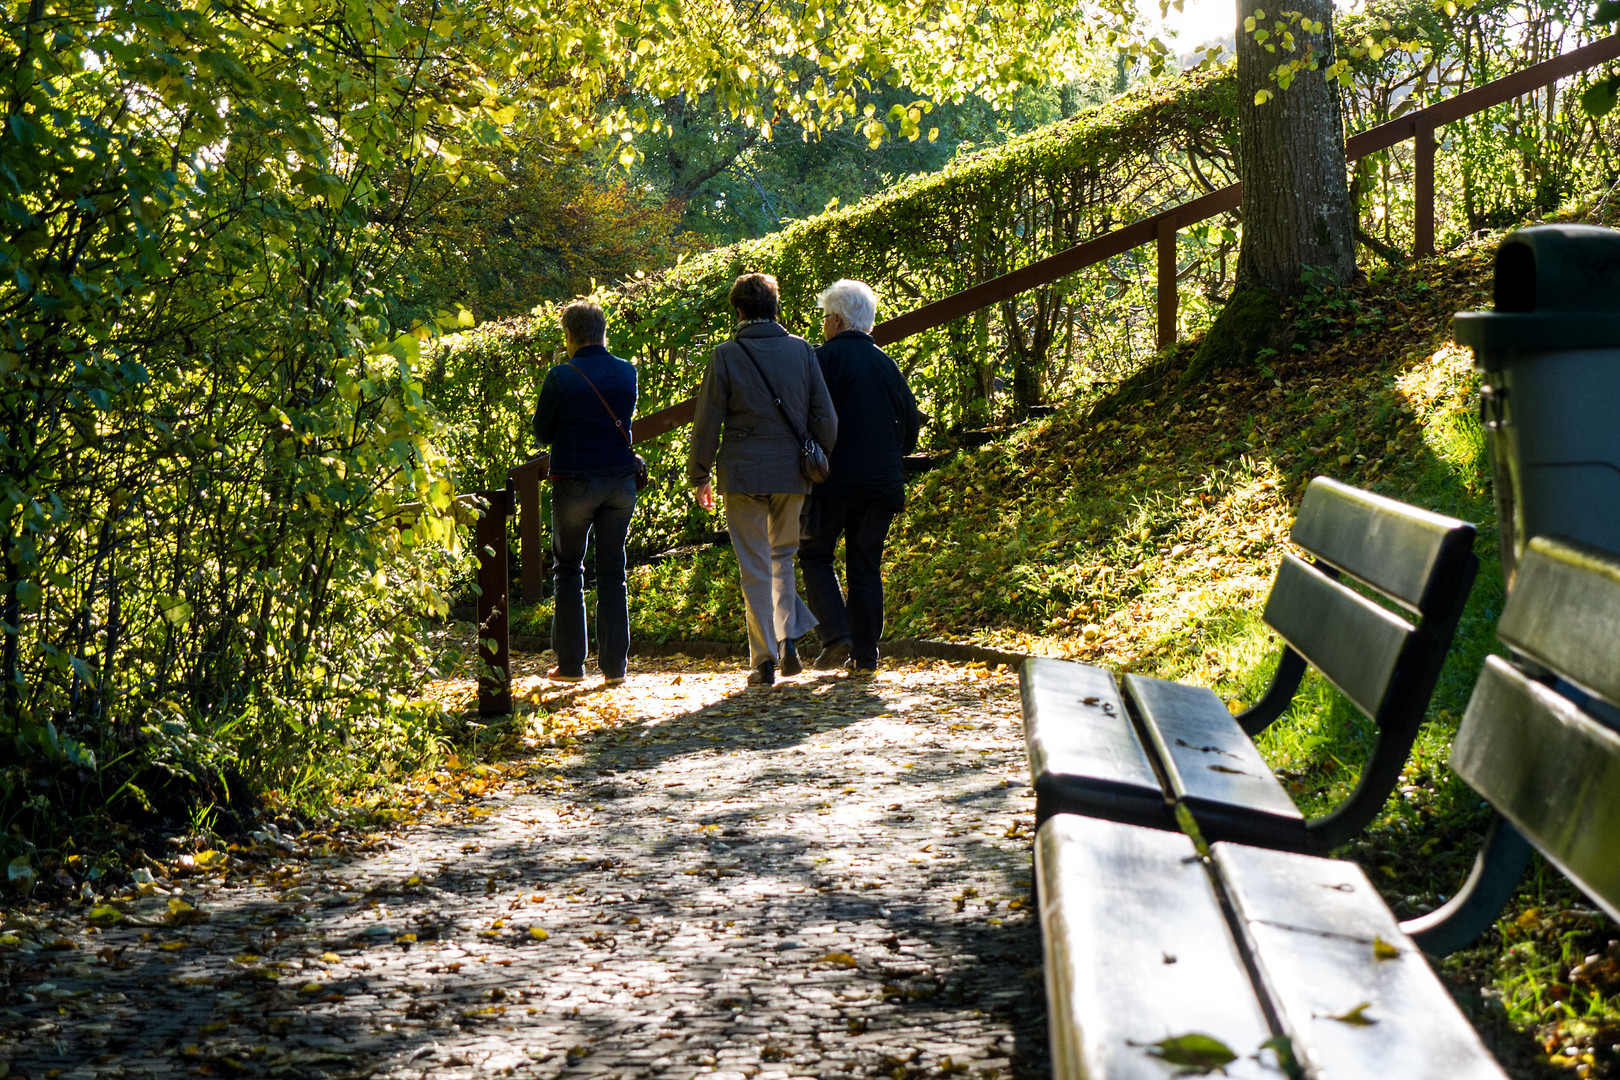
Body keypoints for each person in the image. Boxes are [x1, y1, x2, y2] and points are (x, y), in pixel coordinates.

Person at [688, 273, 837, 687]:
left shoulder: (726, 355)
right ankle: (788, 642)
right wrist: (814, 457)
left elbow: (708, 422)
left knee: (754, 566)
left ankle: (764, 658)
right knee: (782, 560)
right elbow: (826, 417)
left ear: (738, 311)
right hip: (791, 473)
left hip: (742, 472)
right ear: (775, 307)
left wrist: (699, 474)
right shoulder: (802, 352)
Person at [798, 279, 922, 674]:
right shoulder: (887, 364)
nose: (823, 324)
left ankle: (837, 635)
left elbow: (805, 417)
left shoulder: (821, 360)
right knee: (865, 562)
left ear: (836, 320)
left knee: (815, 553)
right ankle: (866, 656)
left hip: (833, 480)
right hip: (881, 481)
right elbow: (912, 424)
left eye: (824, 317)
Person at [532, 299, 641, 686]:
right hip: (619, 481)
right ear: (602, 331)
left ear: (569, 335)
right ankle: (615, 668)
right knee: (614, 571)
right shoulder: (627, 372)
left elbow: (542, 431)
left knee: (568, 570)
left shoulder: (560, 376)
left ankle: (572, 666)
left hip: (574, 481)